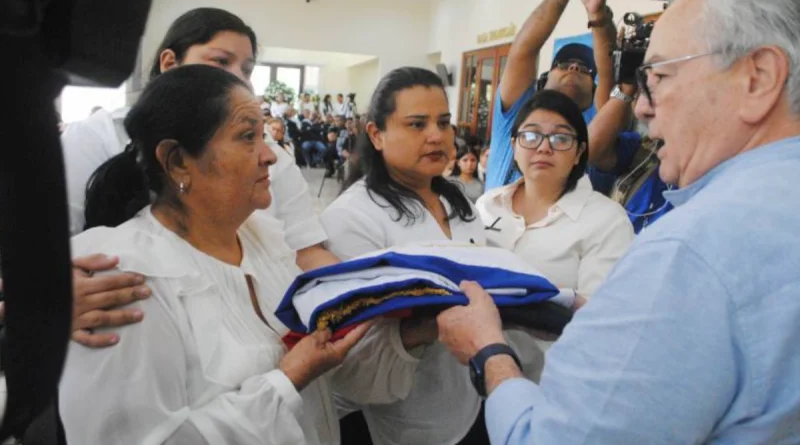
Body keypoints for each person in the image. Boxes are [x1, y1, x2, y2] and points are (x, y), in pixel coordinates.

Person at [436, 0, 800, 443]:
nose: (642, 108)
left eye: (660, 77)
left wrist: (489, 352)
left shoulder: (688, 252)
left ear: (758, 77)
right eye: (530, 135)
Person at [61, 65, 370, 445]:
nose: (270, 156)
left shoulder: (264, 241)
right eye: (247, 137)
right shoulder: (128, 275)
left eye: (264, 135)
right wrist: (288, 380)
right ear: (177, 161)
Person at [61, 8, 339, 349]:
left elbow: (305, 250)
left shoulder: (270, 163)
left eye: (247, 69)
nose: (239, 79)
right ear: (170, 63)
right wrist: (57, 292)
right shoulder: (96, 138)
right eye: (221, 61)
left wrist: (359, 296)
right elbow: (40, 247)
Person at [322, 67, 491, 445]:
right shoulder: (352, 218)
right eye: (417, 124)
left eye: (443, 122)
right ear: (376, 134)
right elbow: (353, 349)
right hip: (389, 416)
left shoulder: (458, 201)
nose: (436, 136)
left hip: (463, 400)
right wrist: (433, 325)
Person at [485, 0, 617, 190]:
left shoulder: (600, 119)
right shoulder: (517, 113)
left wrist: (598, 16)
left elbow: (608, 73)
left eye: (585, 69)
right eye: (563, 64)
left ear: (594, 89)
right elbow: (523, 52)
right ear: (544, 80)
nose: (574, 67)